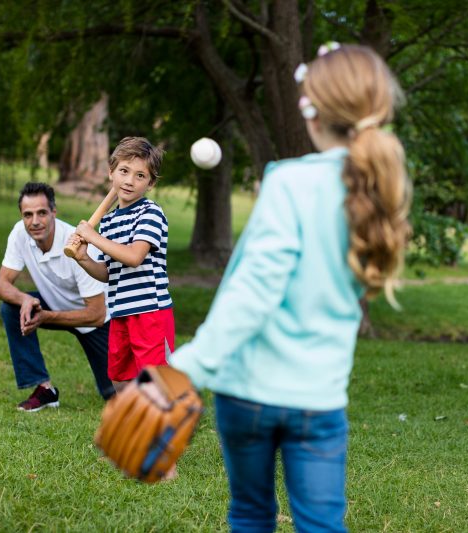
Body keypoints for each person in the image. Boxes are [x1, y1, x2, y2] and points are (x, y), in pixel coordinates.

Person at [169, 44, 412, 532]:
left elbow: (254, 290)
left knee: (251, 515)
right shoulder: (380, 189)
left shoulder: (288, 181)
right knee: (322, 524)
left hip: (247, 393)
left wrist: (188, 365)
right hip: (318, 399)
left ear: (311, 111)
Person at [66, 137, 175, 393]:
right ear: (111, 172)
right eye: (124, 171)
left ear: (151, 183)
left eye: (140, 175)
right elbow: (108, 273)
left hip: (150, 311)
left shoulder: (150, 213)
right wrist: (83, 257)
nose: (129, 181)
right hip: (120, 311)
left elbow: (134, 256)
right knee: (119, 376)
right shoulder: (109, 221)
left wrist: (93, 237)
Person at [0, 182, 115, 412]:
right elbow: (1, 284)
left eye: (42, 213)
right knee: (10, 308)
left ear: (54, 212)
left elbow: (97, 314)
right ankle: (44, 389)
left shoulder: (76, 244)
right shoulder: (20, 233)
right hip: (54, 305)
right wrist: (25, 300)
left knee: (113, 394)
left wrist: (46, 317)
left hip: (98, 321)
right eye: (27, 215)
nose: (35, 221)